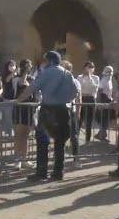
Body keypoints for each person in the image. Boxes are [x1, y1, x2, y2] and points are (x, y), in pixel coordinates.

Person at [16, 51, 78, 181]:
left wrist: (19, 100)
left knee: (42, 142)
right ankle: (58, 173)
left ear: (49, 61)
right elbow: (74, 93)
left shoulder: (46, 73)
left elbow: (32, 88)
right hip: (63, 110)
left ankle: (41, 172)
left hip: (48, 110)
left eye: (44, 60)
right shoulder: (68, 74)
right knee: (60, 144)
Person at [12, 59, 36, 170]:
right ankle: (17, 160)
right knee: (18, 135)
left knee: (25, 136)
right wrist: (24, 73)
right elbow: (21, 84)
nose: (29, 68)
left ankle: (24, 159)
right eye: (26, 66)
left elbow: (35, 93)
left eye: (30, 66)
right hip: (19, 109)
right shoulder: (16, 78)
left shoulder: (33, 79)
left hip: (29, 109)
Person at [62, 60, 82, 169]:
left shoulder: (76, 82)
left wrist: (78, 112)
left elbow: (79, 99)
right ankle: (60, 159)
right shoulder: (58, 81)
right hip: (60, 110)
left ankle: (76, 159)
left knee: (74, 136)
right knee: (60, 136)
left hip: (71, 111)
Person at [77, 61, 99, 143]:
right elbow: (79, 87)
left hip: (91, 98)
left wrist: (89, 77)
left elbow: (94, 88)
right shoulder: (79, 77)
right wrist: (84, 77)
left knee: (89, 121)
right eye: (88, 67)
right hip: (82, 98)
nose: (89, 69)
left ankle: (88, 139)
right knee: (80, 119)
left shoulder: (96, 78)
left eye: (91, 67)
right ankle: (76, 137)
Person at [95, 65, 114, 142]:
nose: (110, 73)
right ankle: (102, 135)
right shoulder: (104, 80)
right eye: (109, 71)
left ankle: (101, 133)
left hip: (108, 101)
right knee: (105, 118)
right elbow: (100, 91)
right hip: (104, 101)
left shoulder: (109, 80)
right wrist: (100, 103)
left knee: (107, 118)